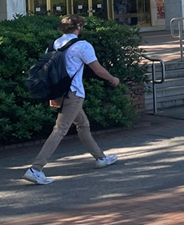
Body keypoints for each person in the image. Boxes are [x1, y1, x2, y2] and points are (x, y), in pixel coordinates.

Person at [23, 15, 121, 185]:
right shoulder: (82, 46)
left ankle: (100, 158)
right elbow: (98, 70)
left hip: (60, 93)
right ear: (79, 27)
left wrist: (53, 96)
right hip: (74, 93)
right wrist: (113, 79)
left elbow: (50, 73)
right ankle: (36, 169)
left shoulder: (53, 45)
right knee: (60, 129)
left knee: (83, 125)